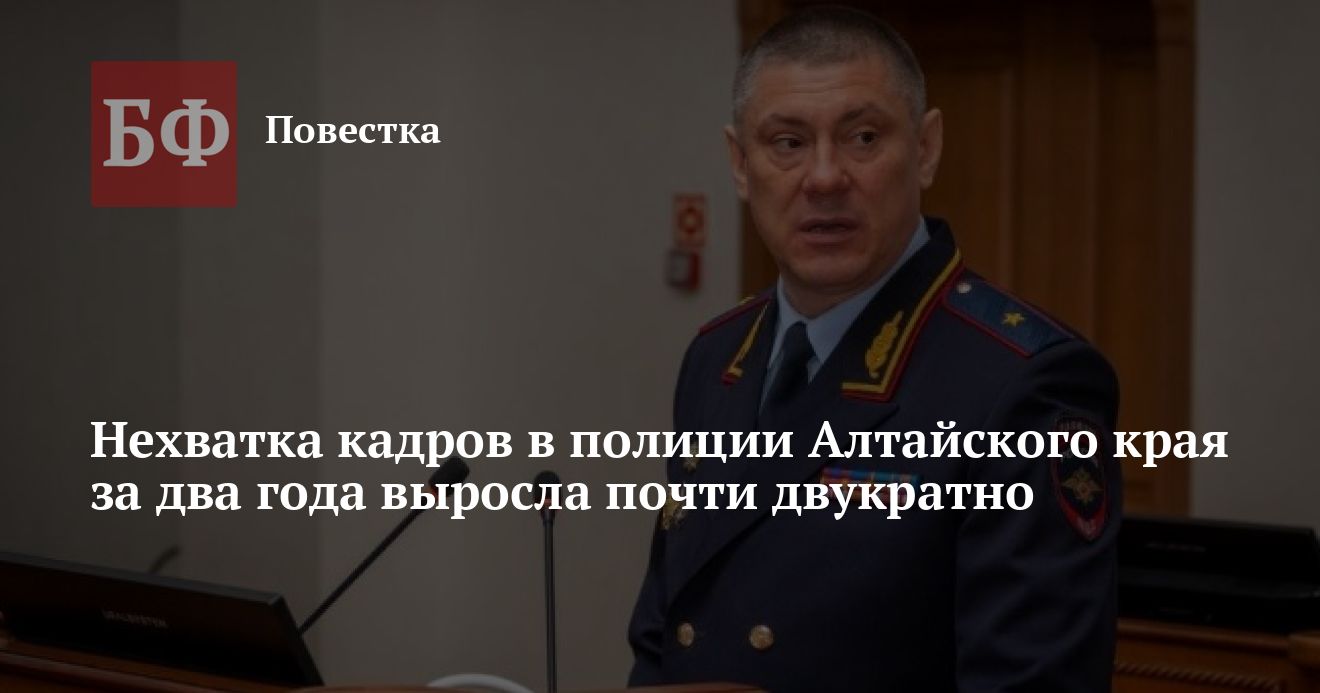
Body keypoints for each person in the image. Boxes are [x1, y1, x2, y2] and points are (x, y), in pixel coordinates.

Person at [627, 7, 1120, 692]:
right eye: (788, 142)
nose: (825, 177)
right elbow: (662, 641)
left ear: (926, 149)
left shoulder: (1021, 382)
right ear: (740, 165)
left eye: (862, 137)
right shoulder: (718, 357)